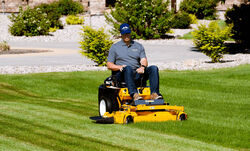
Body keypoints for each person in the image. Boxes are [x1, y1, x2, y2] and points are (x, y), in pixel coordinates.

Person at [107, 23, 162, 101]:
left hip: (136, 72)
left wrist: (142, 67)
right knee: (128, 68)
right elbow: (109, 65)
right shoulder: (115, 47)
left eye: (128, 33)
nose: (126, 35)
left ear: (130, 33)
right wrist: (119, 67)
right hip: (122, 73)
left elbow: (143, 60)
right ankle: (134, 94)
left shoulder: (138, 46)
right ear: (121, 34)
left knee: (153, 68)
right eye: (124, 34)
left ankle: (155, 94)